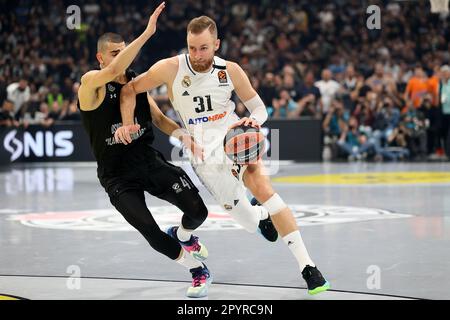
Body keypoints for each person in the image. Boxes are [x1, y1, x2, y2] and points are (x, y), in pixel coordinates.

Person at [115, 15, 330, 295]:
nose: (197, 54)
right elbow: (129, 90)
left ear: (216, 44)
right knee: (249, 222)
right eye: (192, 48)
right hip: (203, 153)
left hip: (234, 139)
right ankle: (258, 214)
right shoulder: (169, 69)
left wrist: (254, 121)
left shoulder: (230, 70)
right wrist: (127, 122)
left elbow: (259, 108)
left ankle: (309, 269)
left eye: (203, 48)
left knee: (268, 192)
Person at [77, 3, 213, 298]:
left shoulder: (136, 82)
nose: (122, 57)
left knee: (198, 211)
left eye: (124, 50)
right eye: (115, 52)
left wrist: (183, 136)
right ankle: (196, 270)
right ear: (100, 58)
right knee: (149, 230)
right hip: (117, 177)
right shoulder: (90, 84)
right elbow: (113, 70)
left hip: (147, 162)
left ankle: (183, 235)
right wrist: (148, 33)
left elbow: (159, 119)